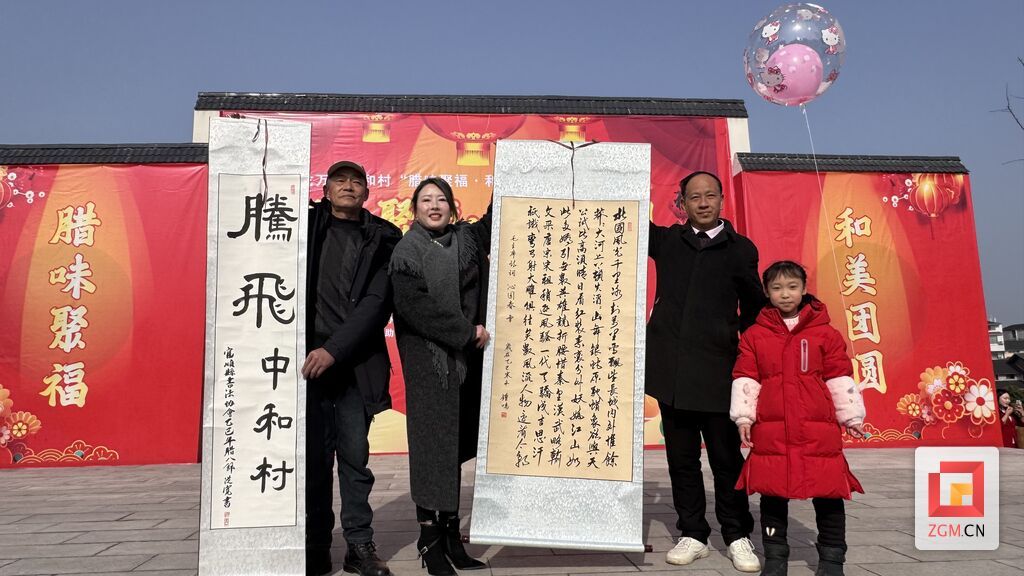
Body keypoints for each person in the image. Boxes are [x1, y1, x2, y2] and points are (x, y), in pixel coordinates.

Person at [646, 171, 766, 572]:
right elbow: (625, 217)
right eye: (694, 197)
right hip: (672, 372)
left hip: (719, 371)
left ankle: (737, 535)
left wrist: (748, 362)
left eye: (710, 195)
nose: (702, 203)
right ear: (682, 203)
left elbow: (753, 311)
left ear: (721, 200)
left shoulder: (741, 249)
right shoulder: (667, 241)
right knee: (682, 460)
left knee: (726, 459)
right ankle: (693, 533)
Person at [730, 260, 866, 576]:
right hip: (772, 431)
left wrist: (851, 416)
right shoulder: (754, 335)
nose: (785, 294)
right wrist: (744, 417)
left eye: (792, 287)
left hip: (817, 431)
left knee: (829, 495)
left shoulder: (825, 334)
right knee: (772, 497)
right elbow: (747, 377)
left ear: (804, 289)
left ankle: (832, 559)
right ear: (766, 292)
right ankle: (775, 557)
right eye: (777, 288)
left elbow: (839, 377)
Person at [303, 160, 401, 576]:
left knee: (355, 460)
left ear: (366, 192)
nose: (348, 186)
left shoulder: (385, 238)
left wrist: (333, 350)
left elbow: (377, 305)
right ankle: (315, 546)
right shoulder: (304, 225)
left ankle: (359, 546)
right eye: (339, 180)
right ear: (325, 190)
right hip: (304, 365)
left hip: (354, 365)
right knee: (312, 460)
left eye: (356, 181)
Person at [389, 177, 491, 576]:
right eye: (426, 200)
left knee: (453, 450)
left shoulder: (466, 241)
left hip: (464, 364)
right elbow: (416, 308)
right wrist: (465, 332)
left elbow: (497, 217)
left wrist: (523, 166)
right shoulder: (407, 251)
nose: (434, 206)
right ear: (414, 208)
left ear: (452, 206)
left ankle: (451, 536)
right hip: (429, 364)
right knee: (431, 449)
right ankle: (429, 540)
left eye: (441, 199)